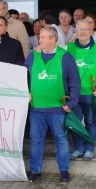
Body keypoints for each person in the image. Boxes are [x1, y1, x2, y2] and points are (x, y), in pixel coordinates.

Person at [24, 26, 79, 182]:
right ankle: (35, 170)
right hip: (36, 108)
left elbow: (74, 81)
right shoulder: (32, 56)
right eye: (39, 37)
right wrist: (24, 91)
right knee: (35, 140)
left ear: (53, 39)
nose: (39, 40)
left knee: (60, 139)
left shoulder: (65, 57)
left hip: (58, 108)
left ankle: (64, 170)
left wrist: (72, 102)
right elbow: (22, 76)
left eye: (42, 37)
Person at [67, 19, 96, 160]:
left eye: (85, 29)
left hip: (93, 93)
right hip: (73, 94)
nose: (82, 32)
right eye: (79, 29)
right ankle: (79, 148)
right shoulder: (68, 48)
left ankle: (89, 148)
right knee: (75, 121)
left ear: (91, 30)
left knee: (91, 121)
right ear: (76, 31)